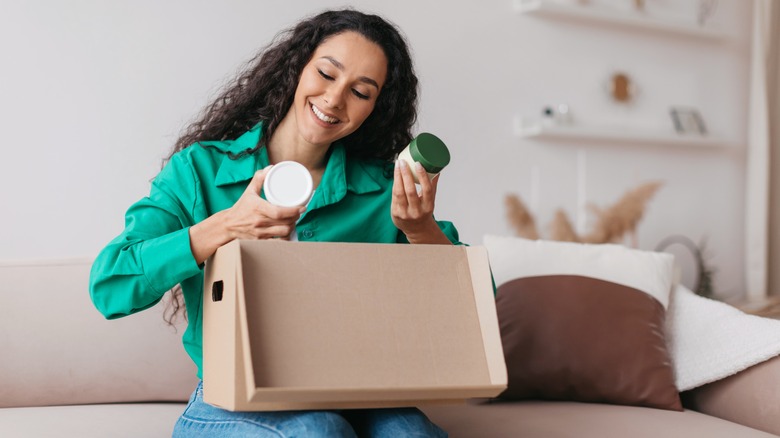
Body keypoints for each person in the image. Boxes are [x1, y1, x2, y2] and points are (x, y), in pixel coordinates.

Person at [90, 8, 459, 438]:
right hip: (232, 397)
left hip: (362, 393)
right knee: (318, 430)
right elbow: (110, 285)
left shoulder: (383, 191)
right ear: (297, 68)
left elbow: (475, 308)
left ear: (375, 109)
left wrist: (420, 230)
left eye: (360, 92)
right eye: (326, 73)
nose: (334, 99)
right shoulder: (200, 170)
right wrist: (225, 226)